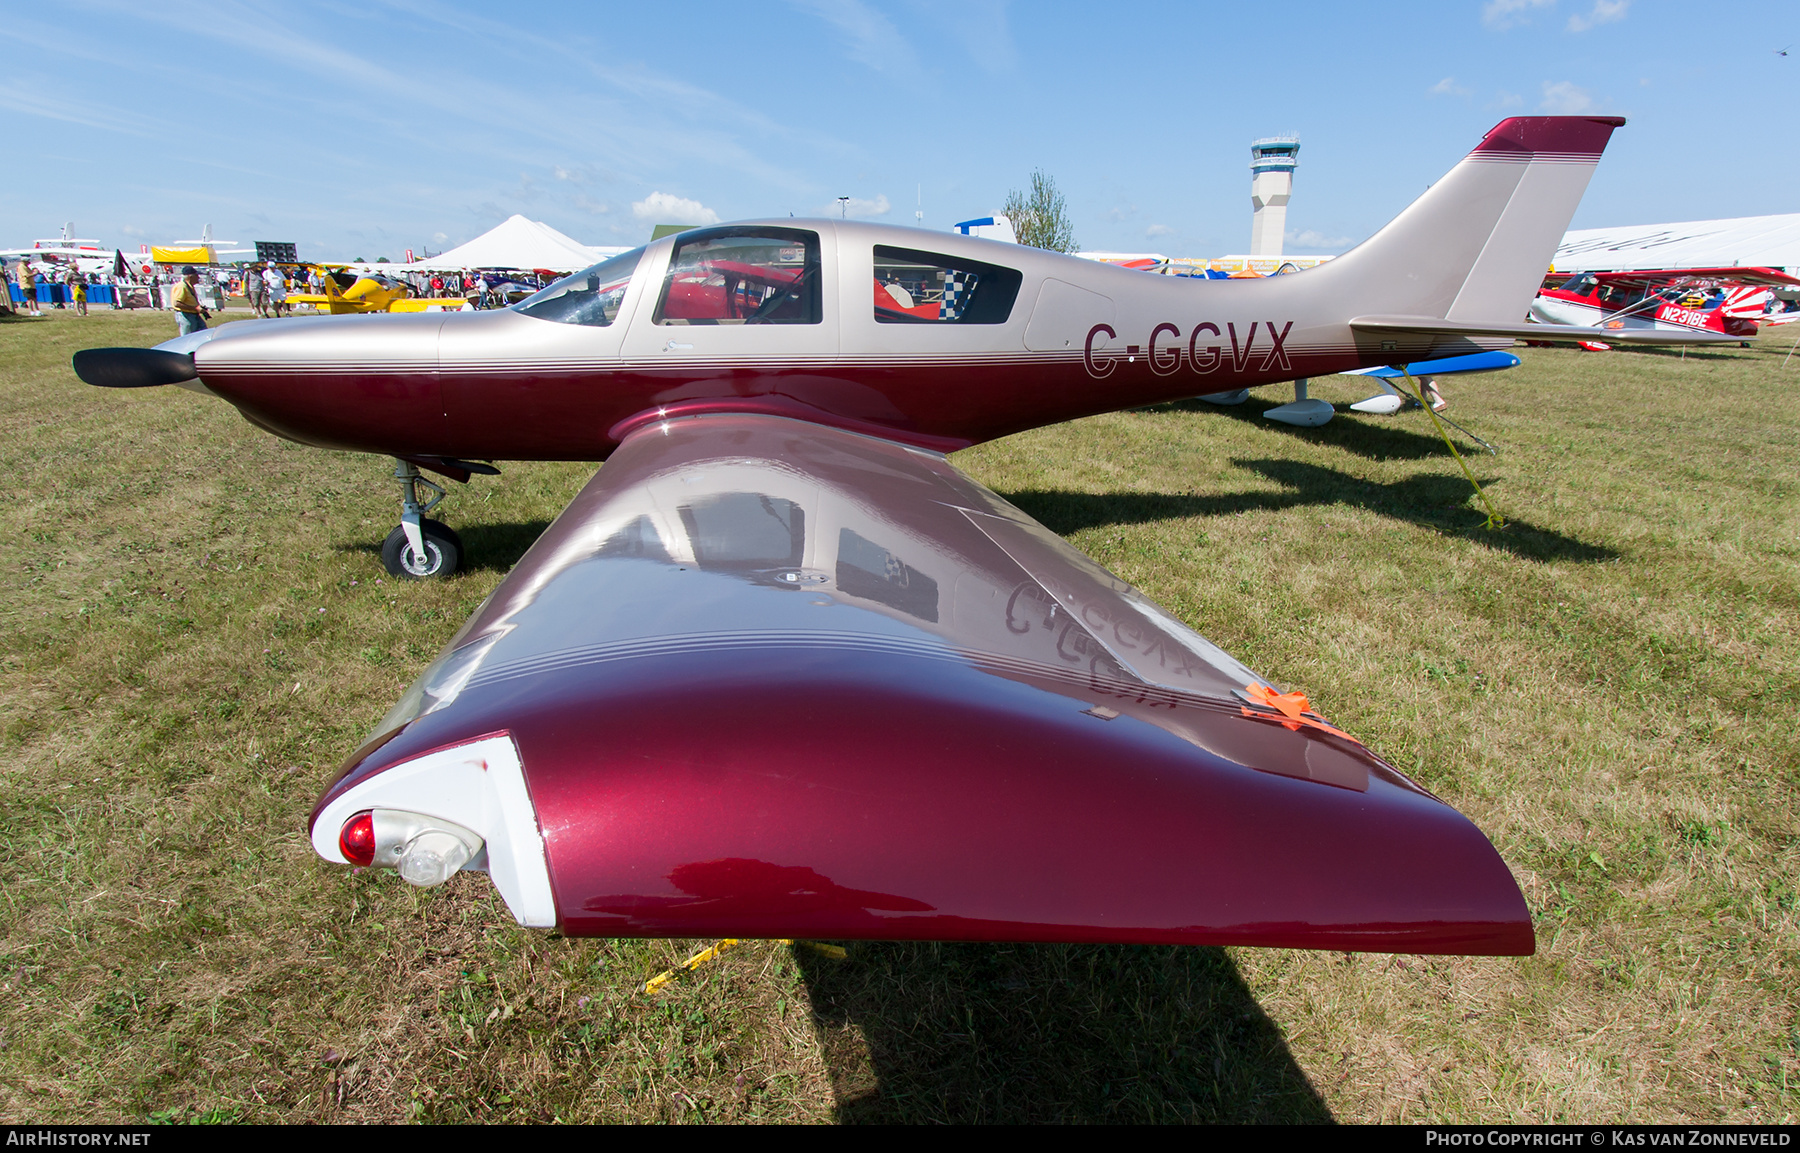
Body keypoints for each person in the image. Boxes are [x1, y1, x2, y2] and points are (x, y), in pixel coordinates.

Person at [171, 265, 210, 335]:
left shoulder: (189, 286)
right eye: (196, 275)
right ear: (190, 276)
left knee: (203, 334)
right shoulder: (181, 286)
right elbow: (177, 303)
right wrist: (195, 308)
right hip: (186, 315)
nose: (198, 277)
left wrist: (199, 307)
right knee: (188, 338)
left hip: (193, 315)